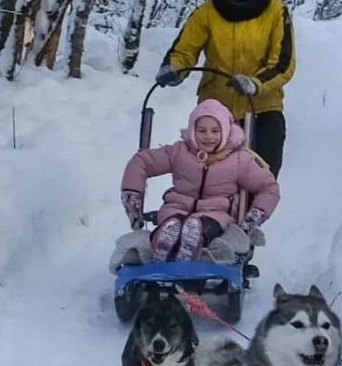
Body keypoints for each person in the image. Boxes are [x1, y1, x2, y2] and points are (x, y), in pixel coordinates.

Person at [156, 0, 296, 179]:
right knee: (211, 178)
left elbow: (283, 63)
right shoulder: (206, 13)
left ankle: (253, 213)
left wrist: (255, 83)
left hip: (264, 107)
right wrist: (174, 69)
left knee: (262, 175)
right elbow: (184, 49)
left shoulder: (277, 12)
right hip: (217, 109)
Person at [120, 99, 280, 262]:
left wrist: (253, 217)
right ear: (192, 131)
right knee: (172, 223)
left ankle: (191, 243)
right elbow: (142, 162)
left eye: (215, 131)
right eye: (202, 131)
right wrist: (132, 195)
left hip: (215, 215)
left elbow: (268, 188)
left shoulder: (239, 160)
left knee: (199, 226)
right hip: (176, 209)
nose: (208, 137)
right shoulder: (179, 151)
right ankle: (163, 244)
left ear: (225, 132)